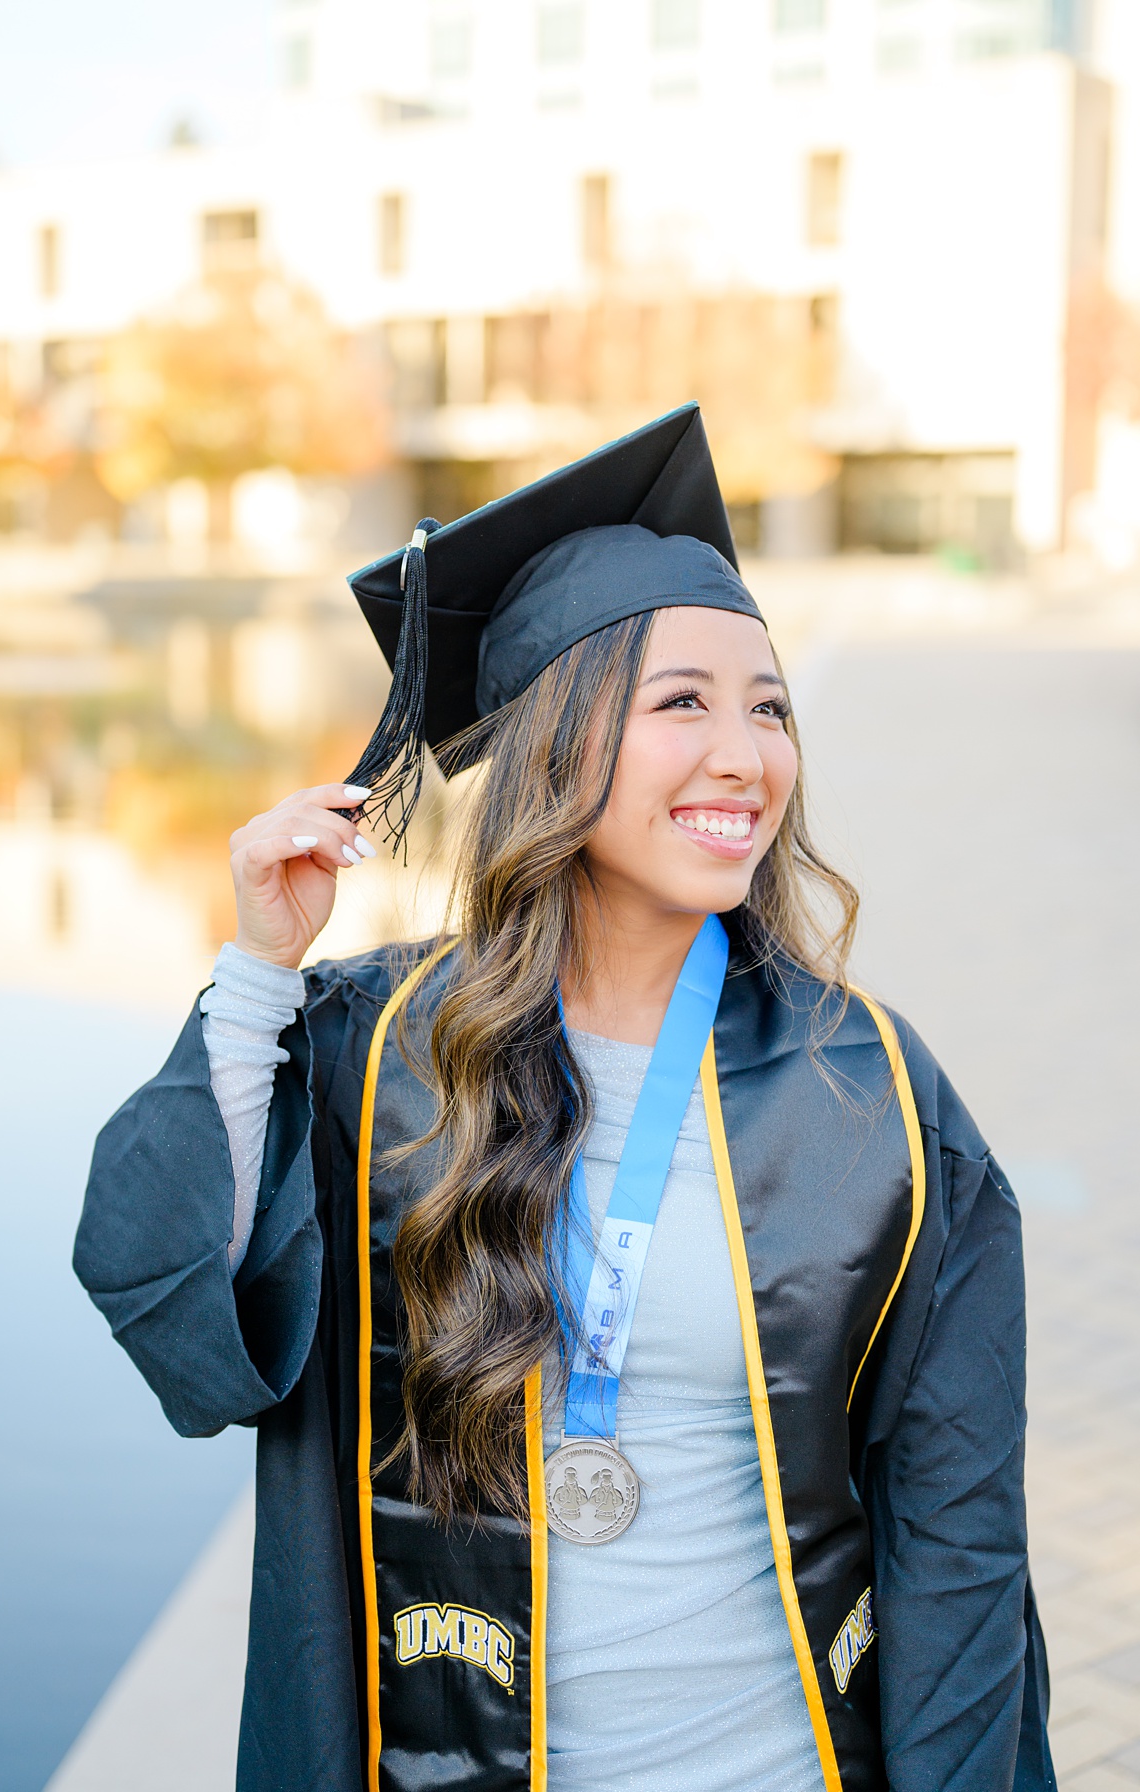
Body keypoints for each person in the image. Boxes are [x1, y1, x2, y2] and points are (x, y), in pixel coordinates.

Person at [75, 406, 1054, 1791]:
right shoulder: (385, 1046)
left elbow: (961, 1525)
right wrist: (256, 973)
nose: (747, 754)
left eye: (769, 705)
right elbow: (161, 1281)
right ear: (556, 740)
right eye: (683, 704)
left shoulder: (872, 1089)